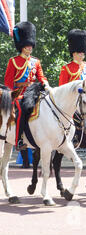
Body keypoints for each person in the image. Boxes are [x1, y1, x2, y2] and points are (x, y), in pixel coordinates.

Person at [4, 21, 51, 150]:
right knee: (22, 109)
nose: (30, 47)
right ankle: (18, 140)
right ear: (22, 46)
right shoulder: (13, 61)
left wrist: (46, 85)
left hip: (33, 91)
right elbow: (8, 81)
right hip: (19, 94)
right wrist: (11, 95)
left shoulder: (36, 61)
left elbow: (41, 77)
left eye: (31, 45)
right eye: (27, 45)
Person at [59, 29, 86, 147]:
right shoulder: (66, 68)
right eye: (80, 53)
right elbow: (62, 87)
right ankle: (75, 135)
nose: (82, 54)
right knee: (75, 113)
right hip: (73, 100)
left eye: (83, 53)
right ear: (74, 53)